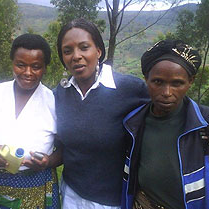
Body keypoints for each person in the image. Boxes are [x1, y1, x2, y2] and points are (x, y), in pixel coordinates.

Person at [54, 18, 150, 209]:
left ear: (98, 51)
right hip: (70, 194)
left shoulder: (129, 88)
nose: (76, 56)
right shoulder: (60, 93)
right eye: (67, 51)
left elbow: (171, 107)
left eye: (84, 47)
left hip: (110, 202)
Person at [121, 40, 209, 209]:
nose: (167, 93)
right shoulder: (133, 122)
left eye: (177, 83)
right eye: (158, 82)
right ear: (146, 79)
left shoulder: (208, 123)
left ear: (190, 81)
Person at [0, 34, 61, 209]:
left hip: (35, 186)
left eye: (36, 66)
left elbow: (67, 148)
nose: (27, 72)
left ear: (45, 68)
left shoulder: (54, 101)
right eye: (20, 65)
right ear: (12, 63)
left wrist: (49, 161)